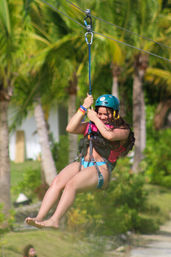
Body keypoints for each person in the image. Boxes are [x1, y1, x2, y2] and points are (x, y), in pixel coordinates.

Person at [25, 94, 135, 229]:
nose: (102, 117)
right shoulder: (91, 125)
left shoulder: (123, 130)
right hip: (82, 163)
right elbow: (70, 128)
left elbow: (109, 135)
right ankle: (39, 218)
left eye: (105, 114)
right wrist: (84, 107)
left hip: (101, 170)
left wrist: (94, 118)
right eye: (99, 113)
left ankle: (55, 220)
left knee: (71, 185)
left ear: (115, 113)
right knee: (57, 182)